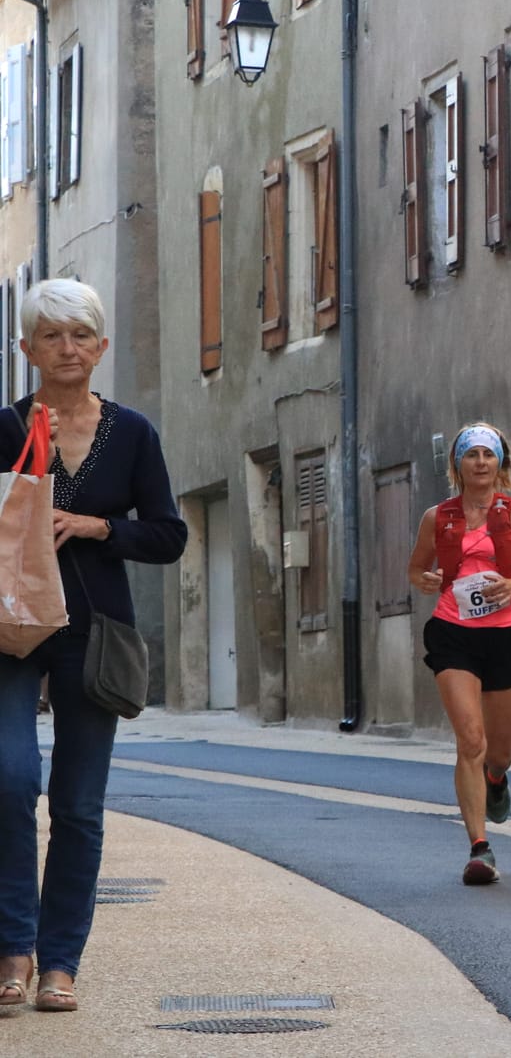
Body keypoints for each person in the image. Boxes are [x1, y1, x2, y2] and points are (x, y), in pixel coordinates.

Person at [0, 279, 187, 1013]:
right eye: (51, 335)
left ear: (101, 347)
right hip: (11, 629)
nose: (67, 348)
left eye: (80, 335)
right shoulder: (4, 428)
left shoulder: (132, 433)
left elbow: (168, 534)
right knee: (10, 781)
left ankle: (59, 963)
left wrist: (96, 526)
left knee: (78, 805)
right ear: (27, 348)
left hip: (96, 631)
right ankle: (13, 946)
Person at [406, 423, 511, 886]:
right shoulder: (437, 517)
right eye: (472, 455)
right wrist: (426, 580)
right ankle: (479, 849)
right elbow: (416, 569)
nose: (481, 463)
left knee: (498, 753)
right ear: (459, 465)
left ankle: (496, 780)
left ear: (500, 464)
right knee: (470, 741)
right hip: (453, 633)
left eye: (489, 455)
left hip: (507, 636)